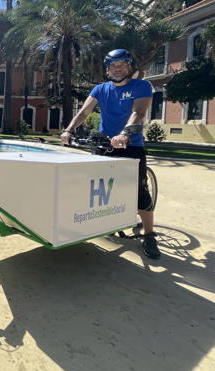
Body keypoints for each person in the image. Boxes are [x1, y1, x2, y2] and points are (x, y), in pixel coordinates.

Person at [60, 49, 160, 259]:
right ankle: (104, 220)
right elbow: (84, 112)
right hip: (104, 144)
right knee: (96, 188)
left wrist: (125, 133)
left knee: (139, 190)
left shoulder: (141, 86)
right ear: (108, 70)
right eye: (113, 66)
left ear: (129, 66)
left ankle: (149, 234)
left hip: (130, 144)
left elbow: (139, 111)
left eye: (122, 64)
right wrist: (69, 130)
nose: (117, 68)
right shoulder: (100, 89)